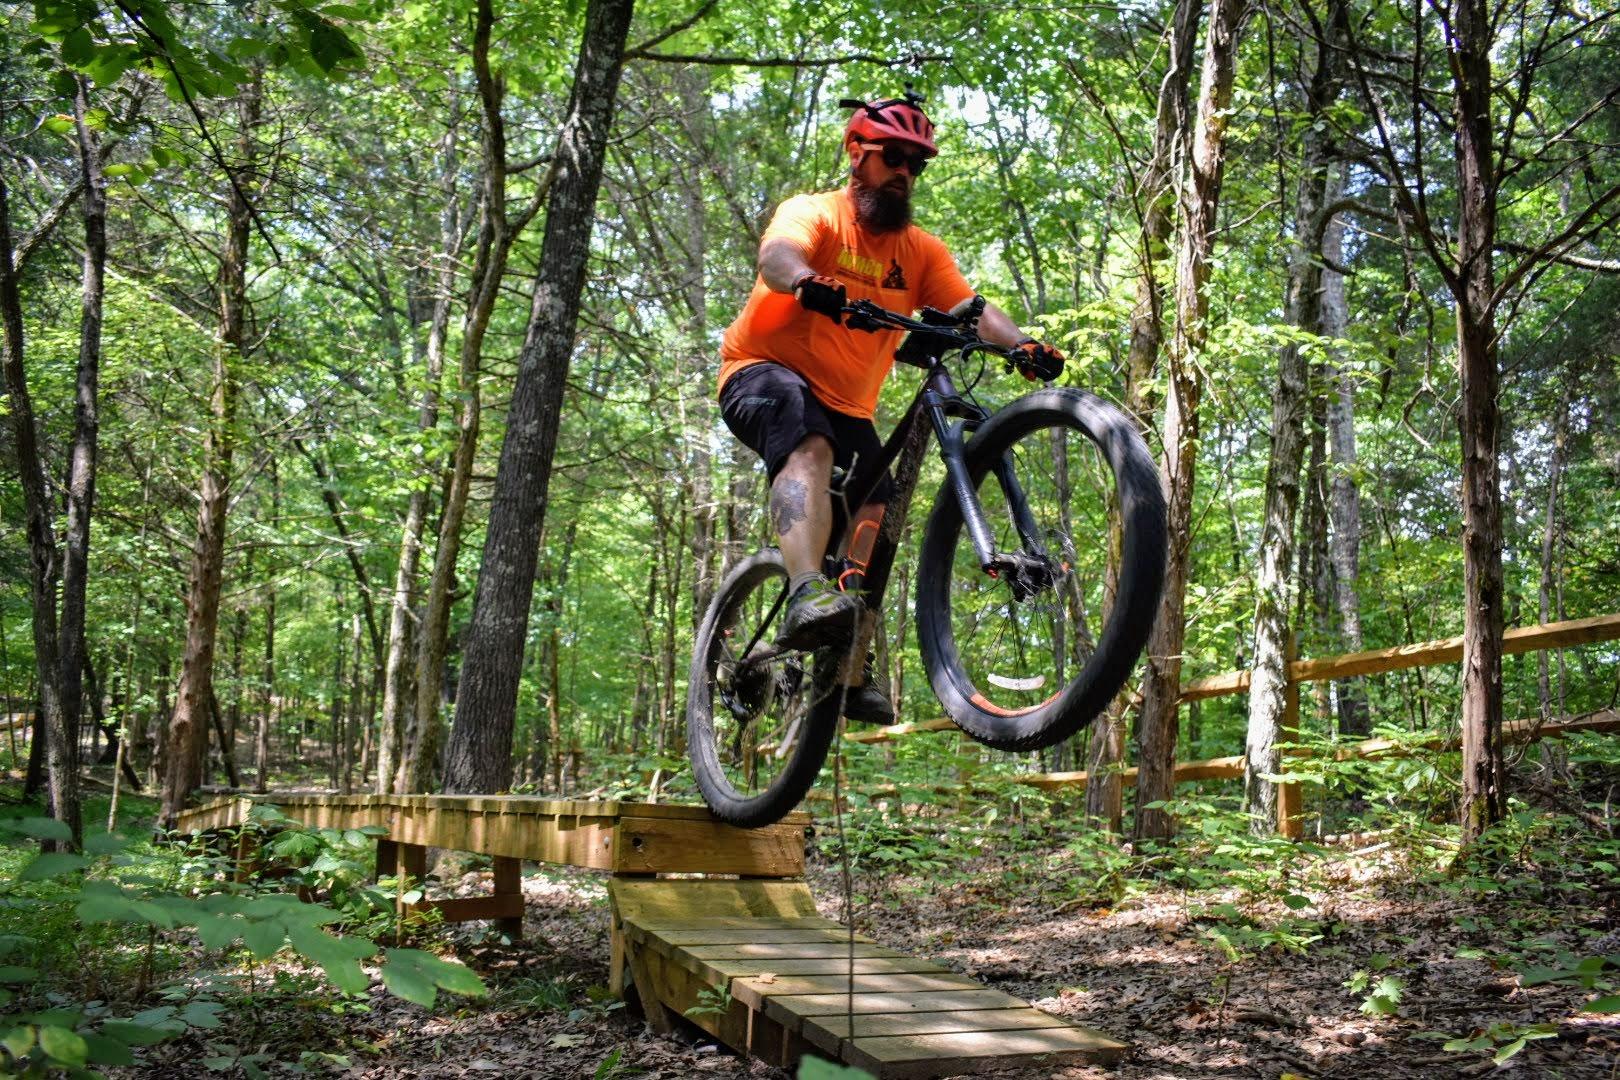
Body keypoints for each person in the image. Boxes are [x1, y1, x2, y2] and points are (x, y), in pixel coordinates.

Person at [716, 89, 1066, 724]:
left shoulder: (920, 252)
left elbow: (971, 309)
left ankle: (847, 663)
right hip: (762, 373)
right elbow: (777, 256)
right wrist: (804, 282)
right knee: (810, 445)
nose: (905, 171)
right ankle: (803, 593)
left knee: (878, 510)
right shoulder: (814, 213)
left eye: (917, 163)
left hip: (848, 402)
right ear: (858, 155)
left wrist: (1022, 344)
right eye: (894, 156)